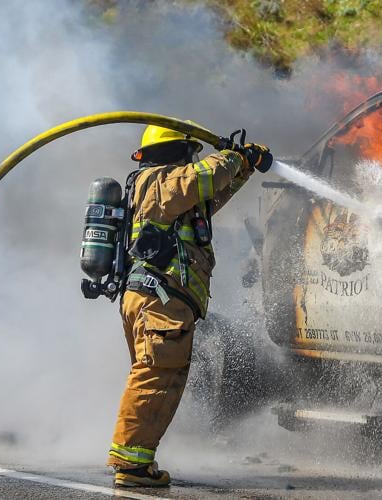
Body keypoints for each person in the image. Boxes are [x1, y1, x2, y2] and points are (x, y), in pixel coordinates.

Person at [108, 124, 271, 487]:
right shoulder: (156, 181)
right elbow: (203, 176)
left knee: (163, 378)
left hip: (163, 302)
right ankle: (130, 463)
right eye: (188, 152)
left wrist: (245, 165)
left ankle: (138, 460)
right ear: (174, 152)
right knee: (154, 376)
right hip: (158, 301)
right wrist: (232, 155)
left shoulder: (176, 194)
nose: (192, 159)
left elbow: (214, 189)